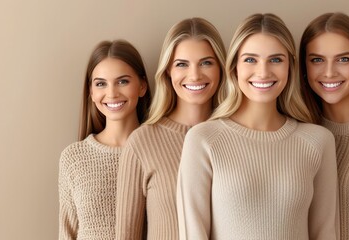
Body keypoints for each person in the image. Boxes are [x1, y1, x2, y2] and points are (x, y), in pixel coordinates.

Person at [176, 13, 339, 239]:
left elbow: (326, 233)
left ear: (290, 67)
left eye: (275, 59)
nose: (263, 72)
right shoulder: (203, 140)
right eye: (250, 59)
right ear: (234, 67)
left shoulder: (318, 141)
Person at [115, 17, 226, 239]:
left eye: (206, 63)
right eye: (182, 64)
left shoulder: (236, 136)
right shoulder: (142, 142)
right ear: (168, 71)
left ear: (221, 68)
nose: (195, 75)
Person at [58, 39, 151, 240]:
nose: (112, 93)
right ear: (91, 92)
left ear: (142, 86)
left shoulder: (157, 151)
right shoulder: (74, 158)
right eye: (101, 84)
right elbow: (67, 233)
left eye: (123, 81)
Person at [299, 12, 349, 240]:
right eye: (317, 60)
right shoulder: (298, 137)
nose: (330, 72)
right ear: (303, 66)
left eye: (344, 59)